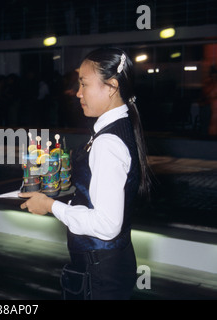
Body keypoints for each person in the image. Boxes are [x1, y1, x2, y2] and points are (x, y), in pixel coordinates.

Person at [19, 47, 152, 300]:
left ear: (111, 86)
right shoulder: (120, 127)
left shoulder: (107, 143)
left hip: (98, 269)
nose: (77, 93)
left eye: (83, 84)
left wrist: (50, 206)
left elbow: (106, 225)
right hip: (110, 263)